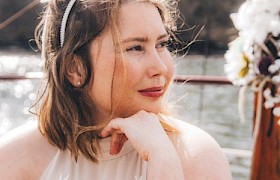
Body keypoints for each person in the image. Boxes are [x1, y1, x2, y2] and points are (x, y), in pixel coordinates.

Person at [0, 0, 232, 179]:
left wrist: (164, 162)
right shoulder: (13, 160)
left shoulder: (197, 155)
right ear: (75, 68)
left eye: (162, 44)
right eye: (135, 48)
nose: (160, 67)